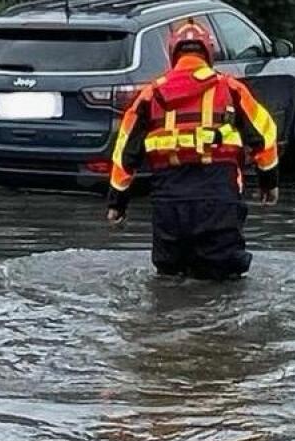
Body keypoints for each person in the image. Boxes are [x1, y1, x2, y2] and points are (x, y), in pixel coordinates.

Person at [106, 19, 279, 280]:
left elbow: (125, 153)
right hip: (218, 197)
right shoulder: (230, 89)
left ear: (173, 53)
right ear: (208, 52)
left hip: (169, 202)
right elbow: (264, 136)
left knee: (169, 278)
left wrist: (117, 203)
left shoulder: (150, 95)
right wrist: (269, 183)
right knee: (222, 280)